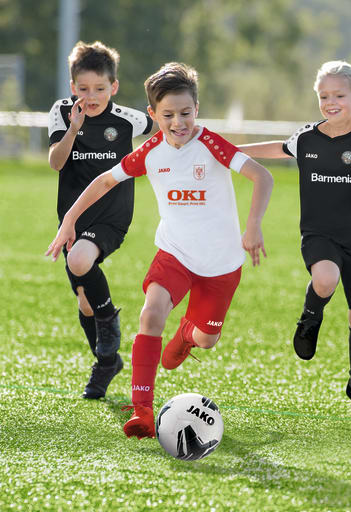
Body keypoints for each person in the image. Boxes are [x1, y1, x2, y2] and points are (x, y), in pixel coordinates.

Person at [46, 62, 274, 439]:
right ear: (153, 115)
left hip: (221, 264)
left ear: (196, 109)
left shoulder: (213, 144)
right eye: (168, 115)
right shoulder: (150, 152)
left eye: (186, 113)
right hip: (175, 254)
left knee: (207, 339)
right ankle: (143, 412)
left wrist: (253, 226)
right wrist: (70, 219)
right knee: (150, 316)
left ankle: (187, 335)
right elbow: (105, 180)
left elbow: (261, 176)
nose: (178, 122)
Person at [238, 60, 351, 419]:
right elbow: (280, 148)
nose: (330, 102)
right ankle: (310, 317)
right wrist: (231, 151)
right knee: (324, 278)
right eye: (323, 95)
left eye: (339, 95)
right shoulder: (307, 136)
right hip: (319, 235)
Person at [47, 41, 153, 400]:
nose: (91, 97)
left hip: (112, 214)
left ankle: (109, 328)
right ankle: (107, 362)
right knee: (85, 303)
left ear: (115, 87)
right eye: (83, 88)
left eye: (100, 89)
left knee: (79, 260)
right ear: (72, 85)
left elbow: (167, 123)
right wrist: (74, 128)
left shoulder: (130, 119)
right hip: (72, 218)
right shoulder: (62, 113)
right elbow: (56, 163)